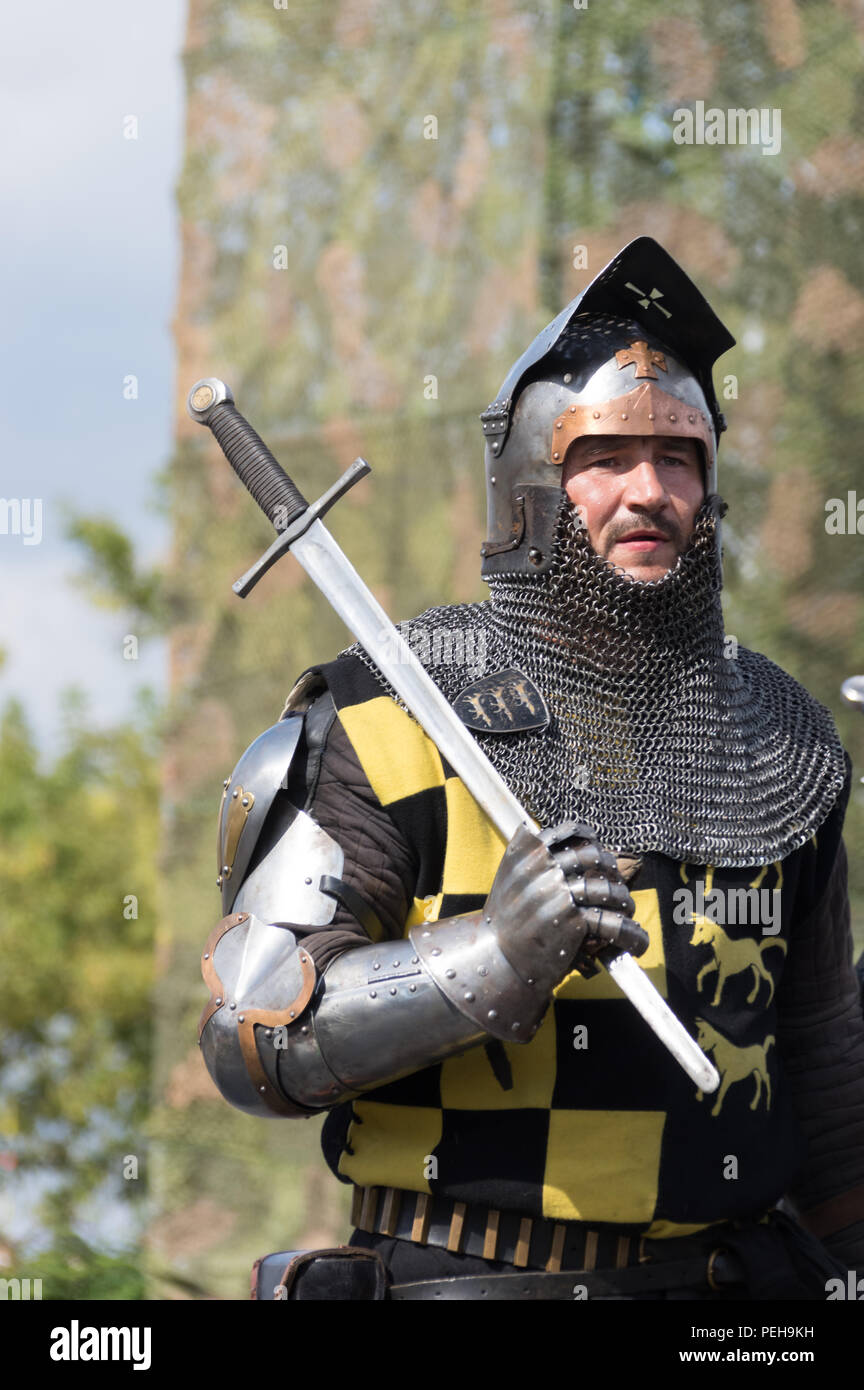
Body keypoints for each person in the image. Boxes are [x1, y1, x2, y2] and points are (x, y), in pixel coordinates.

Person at [199, 237, 864, 1300]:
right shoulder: (388, 714)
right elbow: (254, 1036)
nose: (649, 490)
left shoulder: (780, 737)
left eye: (681, 457)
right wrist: (496, 956)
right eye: (605, 457)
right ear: (531, 488)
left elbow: (824, 1066)